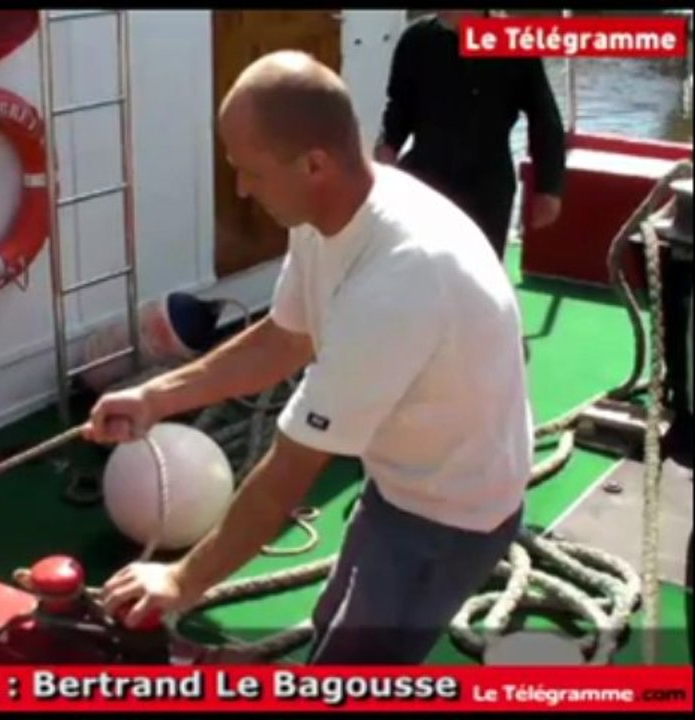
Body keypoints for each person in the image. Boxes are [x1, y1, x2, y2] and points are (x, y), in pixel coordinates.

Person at [86, 50, 533, 664]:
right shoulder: (325, 213)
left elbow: (286, 476)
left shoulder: (400, 281)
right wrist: (155, 396)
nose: (242, 189)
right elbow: (284, 339)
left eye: (253, 173)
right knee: (333, 627)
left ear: (315, 163)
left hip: (452, 511)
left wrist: (181, 581)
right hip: (400, 479)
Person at [375, 10, 566, 260]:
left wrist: (548, 188)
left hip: (488, 184)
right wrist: (386, 151)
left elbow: (544, 119)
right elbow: (399, 106)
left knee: (482, 273)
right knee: (422, 269)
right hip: (427, 178)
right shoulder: (417, 39)